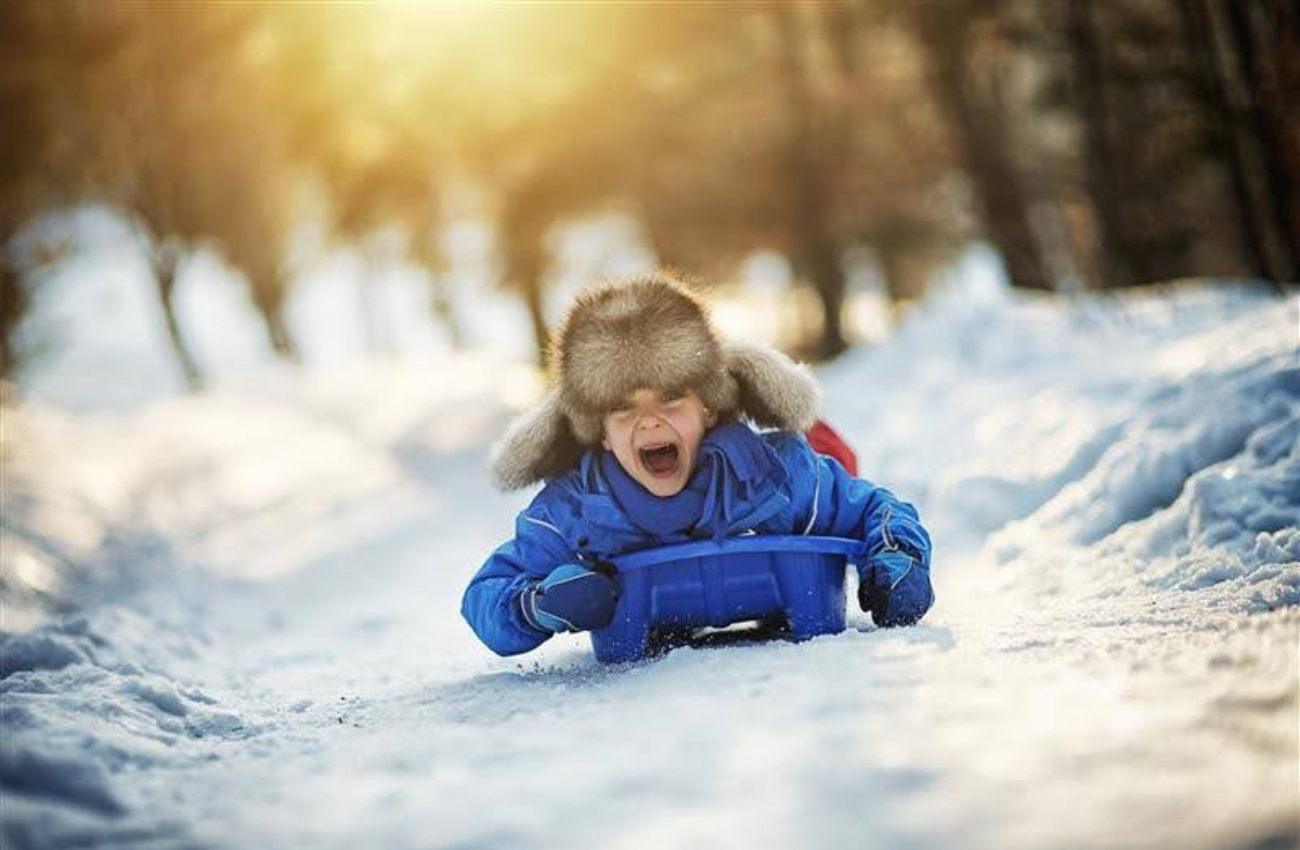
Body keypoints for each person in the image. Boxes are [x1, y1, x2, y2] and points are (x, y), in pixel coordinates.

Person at [462, 273, 933, 657]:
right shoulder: (578, 511)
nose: (650, 421)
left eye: (671, 398)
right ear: (600, 432)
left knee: (829, 455)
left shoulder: (775, 475)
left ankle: (823, 436)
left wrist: (897, 557)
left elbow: (875, 508)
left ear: (708, 407)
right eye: (623, 408)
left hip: (785, 469)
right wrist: (538, 606)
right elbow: (487, 593)